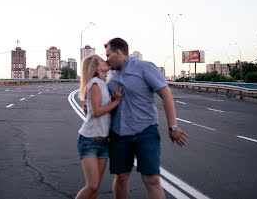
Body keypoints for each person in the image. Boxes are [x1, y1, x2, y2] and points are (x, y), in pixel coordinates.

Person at [105, 38, 188, 199]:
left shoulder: (145, 68)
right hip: (119, 134)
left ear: (119, 52)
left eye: (108, 55)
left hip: (145, 132)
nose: (106, 59)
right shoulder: (109, 74)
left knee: (152, 179)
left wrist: (173, 127)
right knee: (121, 177)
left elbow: (166, 95)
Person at [76, 54, 123, 199]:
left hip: (103, 142)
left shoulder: (104, 83)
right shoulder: (95, 83)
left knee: (95, 190)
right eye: (102, 60)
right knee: (92, 186)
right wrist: (116, 101)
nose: (106, 60)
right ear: (96, 67)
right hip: (89, 140)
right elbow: (96, 112)